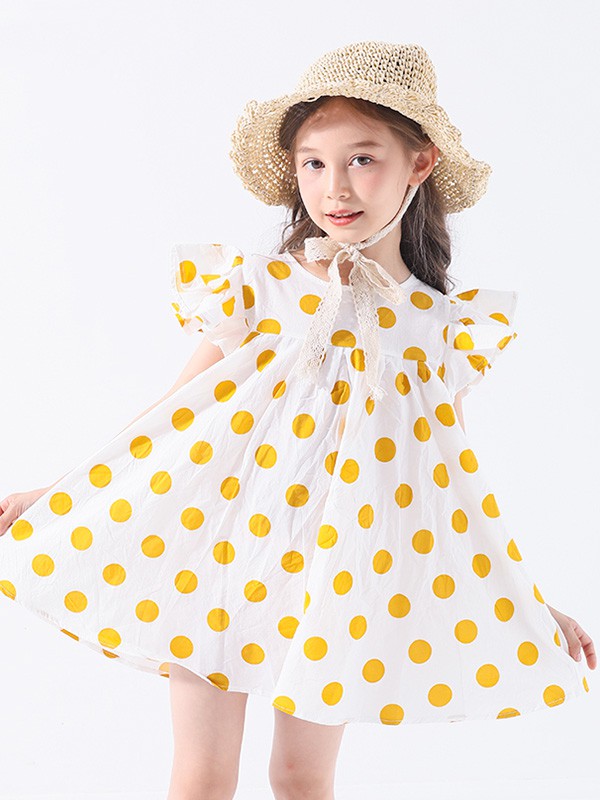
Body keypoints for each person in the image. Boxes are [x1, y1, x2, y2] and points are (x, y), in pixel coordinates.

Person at [0, 40, 595, 800]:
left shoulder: (436, 330)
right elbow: (170, 420)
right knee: (201, 776)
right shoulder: (261, 288)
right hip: (216, 560)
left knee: (301, 777)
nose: (334, 186)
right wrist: (59, 494)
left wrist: (527, 605)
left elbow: (449, 485)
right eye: (313, 163)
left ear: (420, 163)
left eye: (362, 159)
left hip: (335, 585)